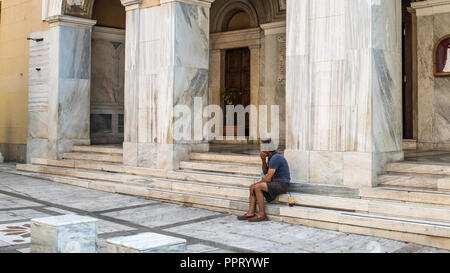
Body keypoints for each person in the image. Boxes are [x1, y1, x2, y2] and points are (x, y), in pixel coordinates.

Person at [237, 139, 291, 222]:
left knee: (257, 187)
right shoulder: (271, 157)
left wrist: (255, 184)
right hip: (275, 183)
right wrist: (263, 160)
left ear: (267, 149)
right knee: (253, 187)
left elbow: (268, 178)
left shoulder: (276, 158)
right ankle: (250, 213)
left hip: (282, 184)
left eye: (262, 147)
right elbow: (265, 171)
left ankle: (262, 214)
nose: (261, 149)